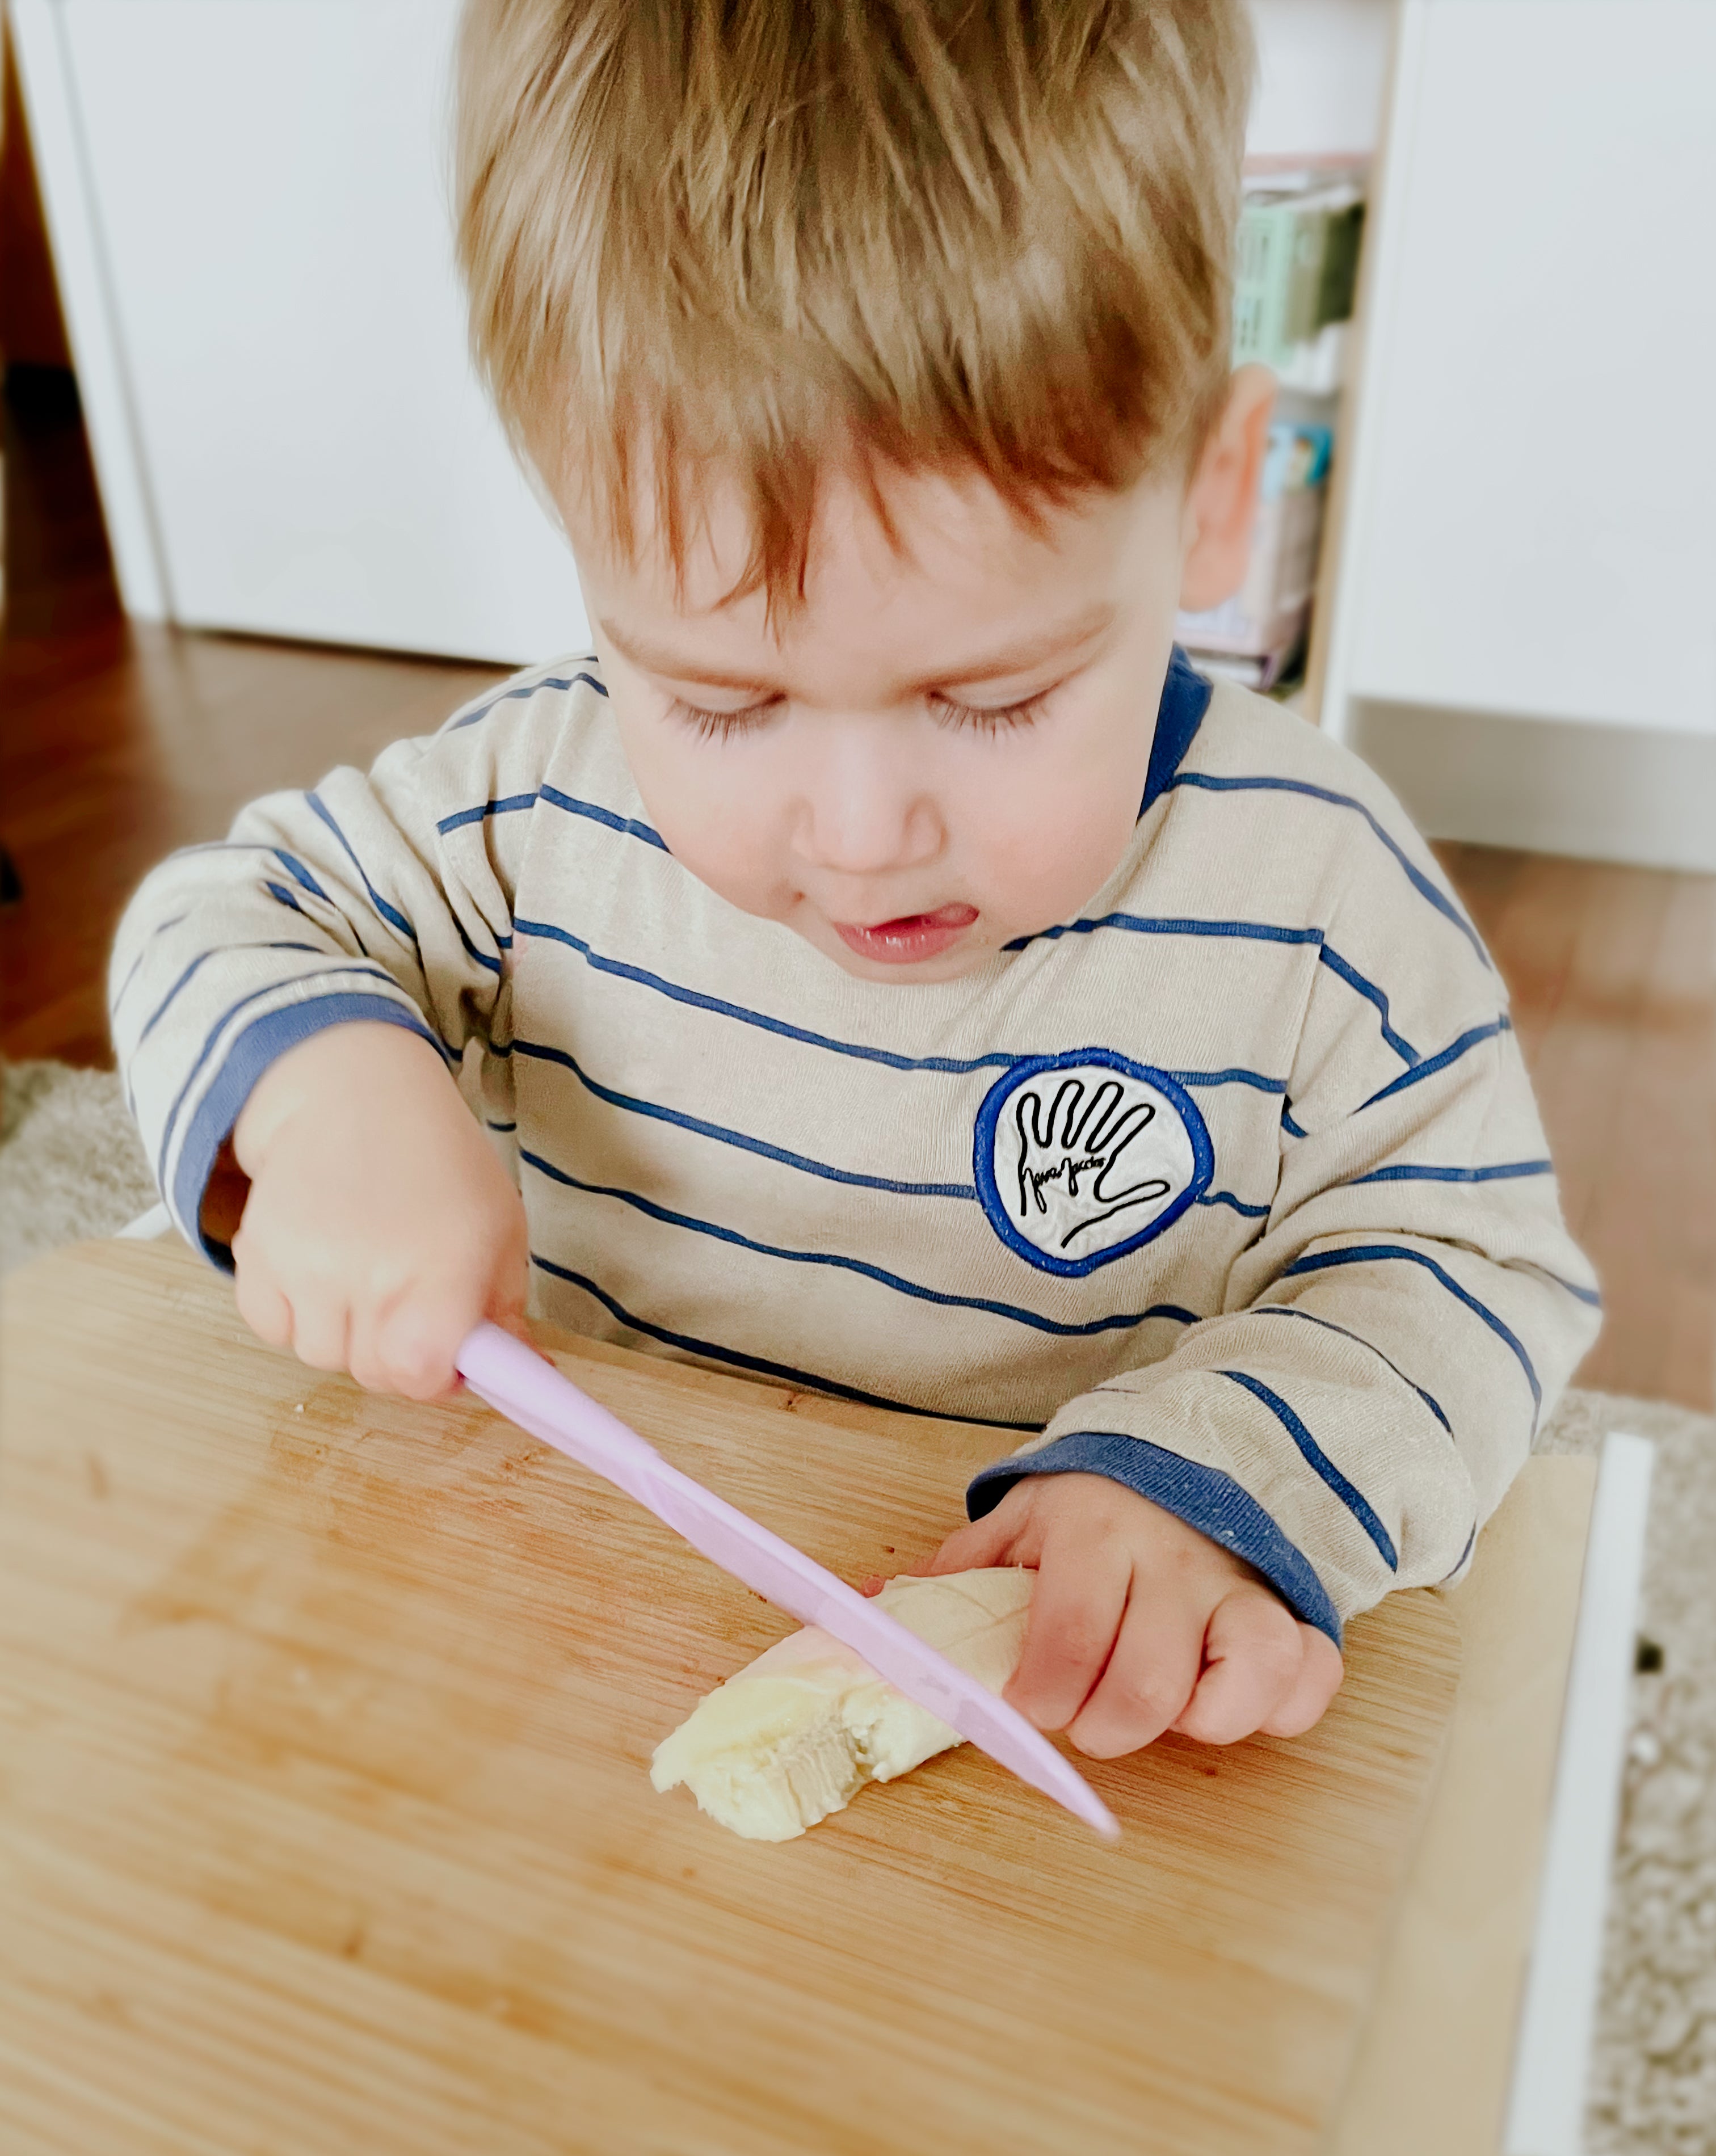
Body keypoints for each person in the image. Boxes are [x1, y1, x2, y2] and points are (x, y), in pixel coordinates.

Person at [111, 0, 1599, 1765]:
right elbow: (223, 911)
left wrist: (1224, 1479)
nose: (861, 829)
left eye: (994, 697)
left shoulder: (1319, 902)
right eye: (722, 700)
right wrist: (323, 1090)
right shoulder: (533, 799)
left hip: (1025, 1714)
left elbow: (1470, 1268)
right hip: (558, 1636)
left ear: (1212, 494)